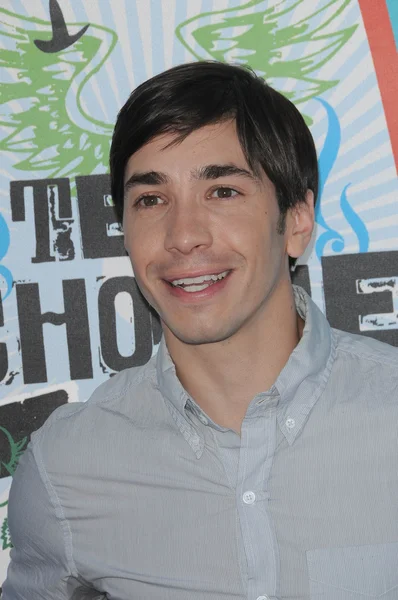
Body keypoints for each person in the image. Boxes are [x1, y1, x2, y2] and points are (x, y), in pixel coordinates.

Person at [3, 61, 397, 600]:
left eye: (223, 192)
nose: (183, 236)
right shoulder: (65, 468)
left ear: (298, 221)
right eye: (151, 199)